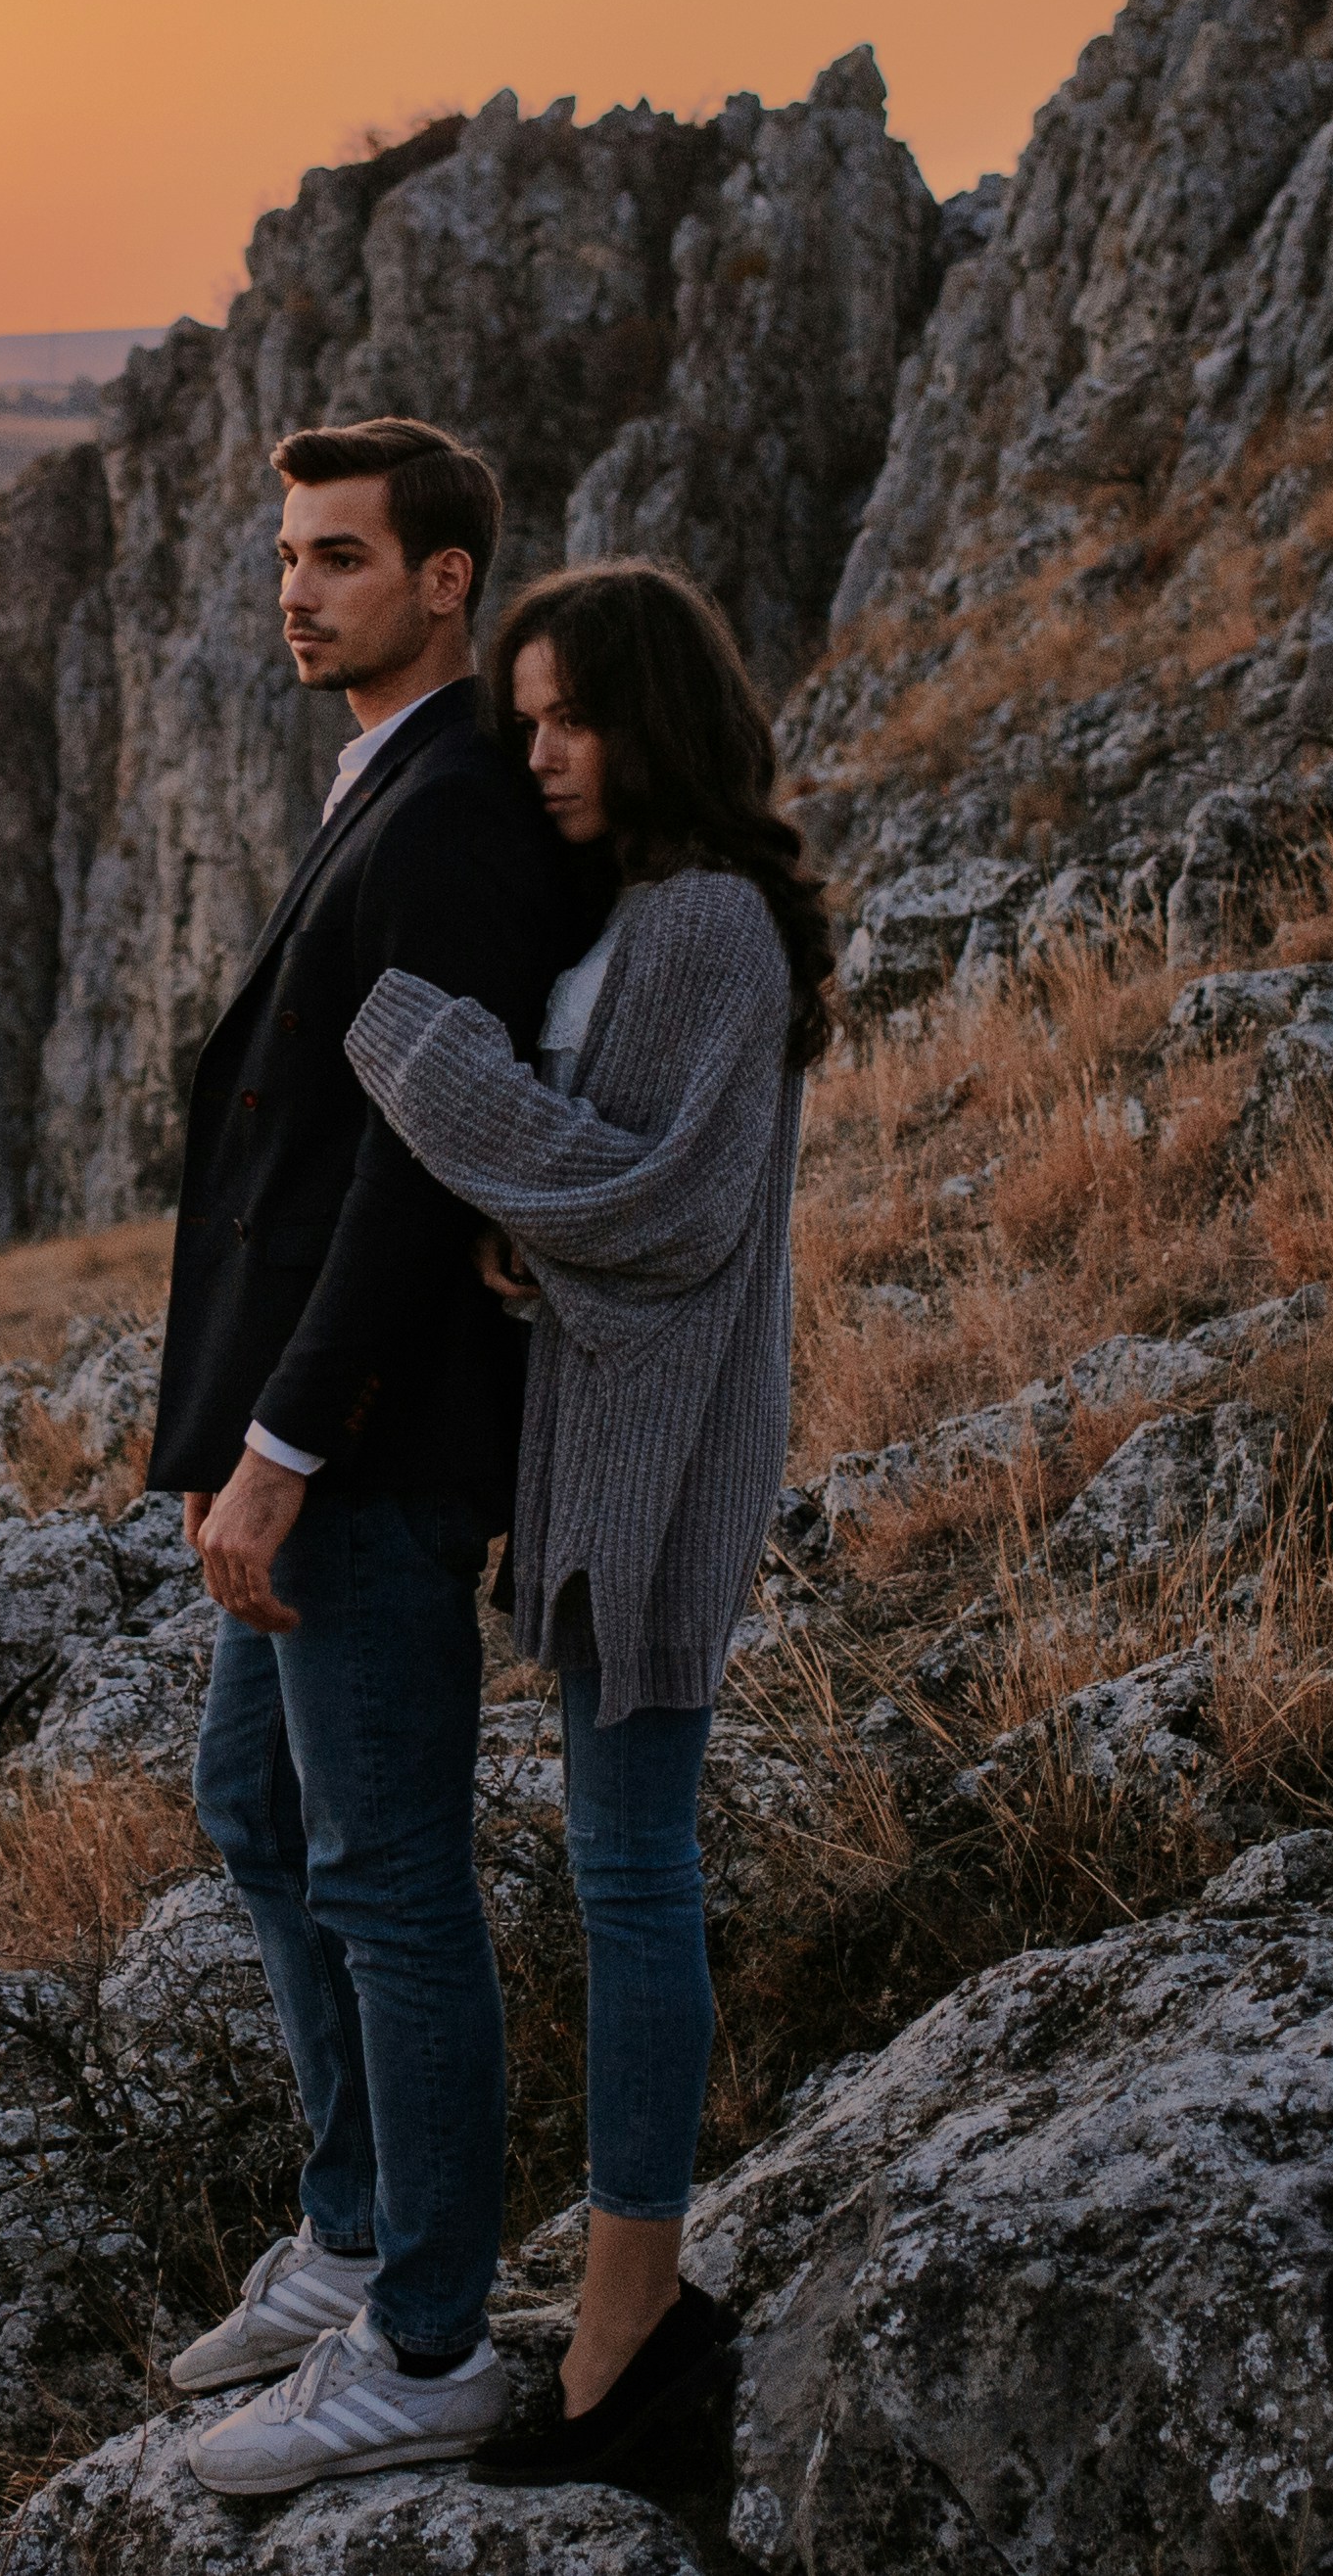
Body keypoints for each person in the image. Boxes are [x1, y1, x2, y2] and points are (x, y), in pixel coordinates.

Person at [338, 555, 829, 2489]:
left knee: (633, 1876)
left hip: (667, 1468)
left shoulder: (707, 918)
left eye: (571, 717)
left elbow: (665, 1210)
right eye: (523, 717)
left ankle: (633, 2326)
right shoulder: (655, 909)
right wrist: (528, 1233)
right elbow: (612, 1206)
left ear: (658, 717)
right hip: (621, 1446)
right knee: (628, 1862)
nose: (539, 752)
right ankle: (635, 2298)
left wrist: (435, 1068)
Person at [155, 415, 600, 2497]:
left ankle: (428, 2337)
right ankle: (348, 2237)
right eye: (286, 556)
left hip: (376, 1450)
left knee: (394, 1879)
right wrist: (218, 1432)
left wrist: (276, 1445)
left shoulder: (448, 811)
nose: (298, 589)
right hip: (307, 1436)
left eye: (340, 556)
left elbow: (413, 1188)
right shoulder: (385, 780)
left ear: (447, 581)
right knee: (254, 1799)